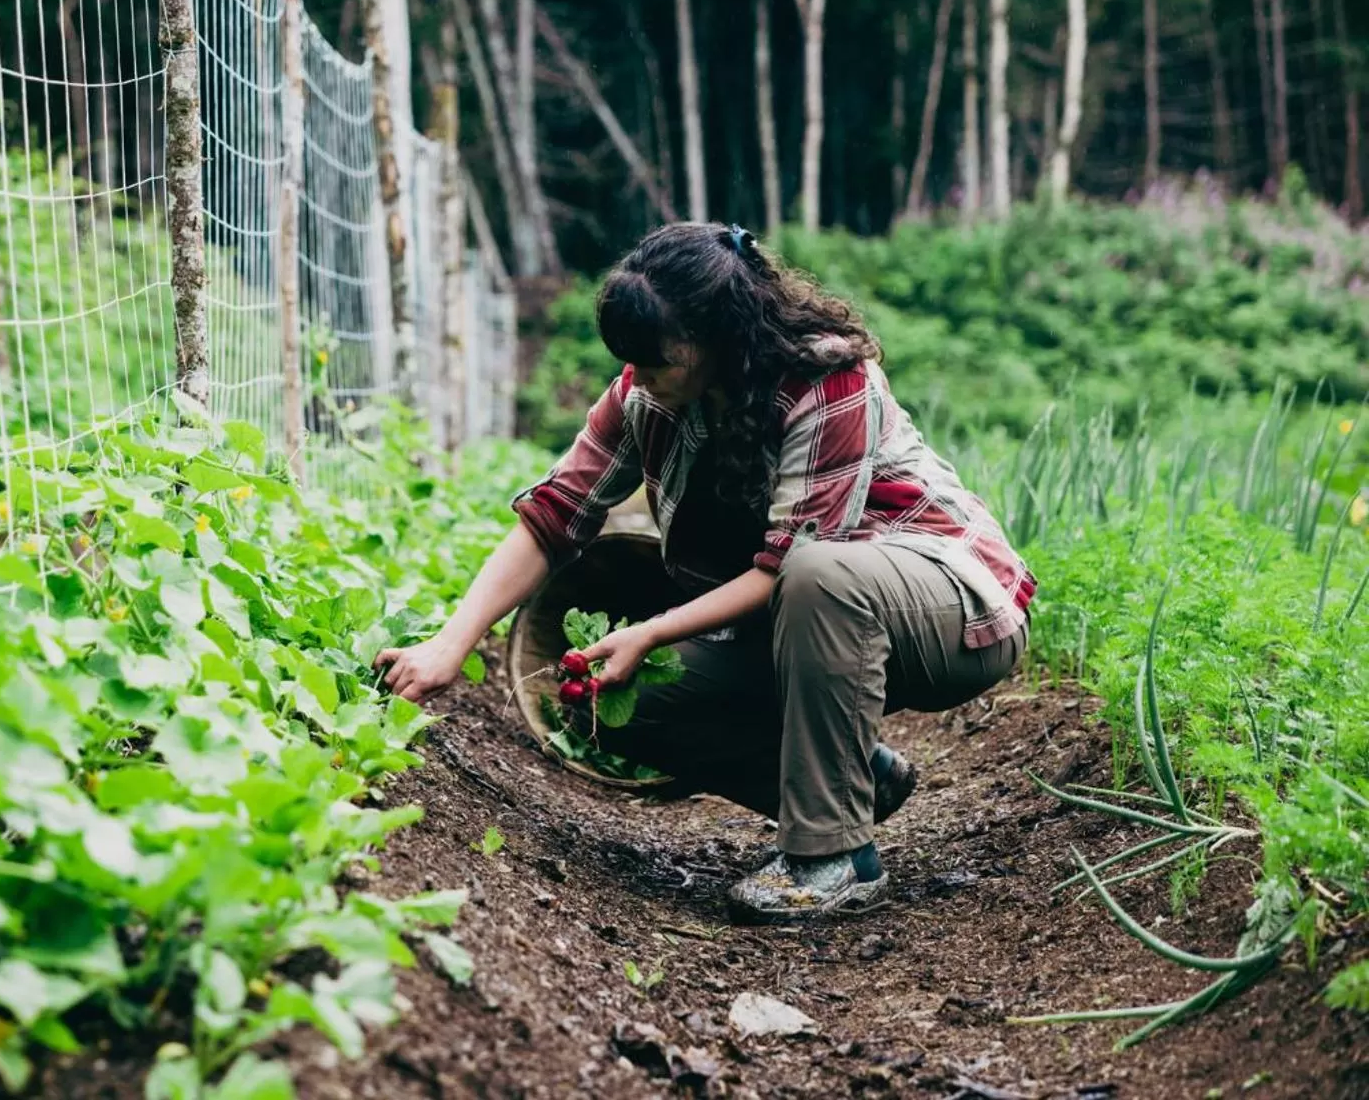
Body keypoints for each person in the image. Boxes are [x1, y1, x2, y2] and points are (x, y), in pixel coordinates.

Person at [375, 222, 1035, 921]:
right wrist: (449, 642)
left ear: (713, 339)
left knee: (817, 573)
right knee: (612, 702)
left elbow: (788, 567)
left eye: (656, 362)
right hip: (810, 619)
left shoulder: (827, 379)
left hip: (948, 606)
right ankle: (858, 778)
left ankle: (833, 856)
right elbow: (555, 513)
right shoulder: (646, 395)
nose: (640, 379)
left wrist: (652, 629)